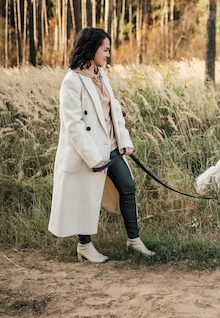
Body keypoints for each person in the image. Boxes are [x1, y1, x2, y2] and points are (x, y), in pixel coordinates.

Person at [48, 27, 155, 263]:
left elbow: (114, 110)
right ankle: (84, 246)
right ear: (92, 48)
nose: (108, 55)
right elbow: (73, 125)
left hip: (111, 147)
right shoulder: (72, 81)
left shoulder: (101, 75)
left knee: (127, 187)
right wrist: (93, 158)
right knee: (86, 196)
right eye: (105, 50)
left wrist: (124, 141)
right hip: (87, 152)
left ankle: (134, 241)